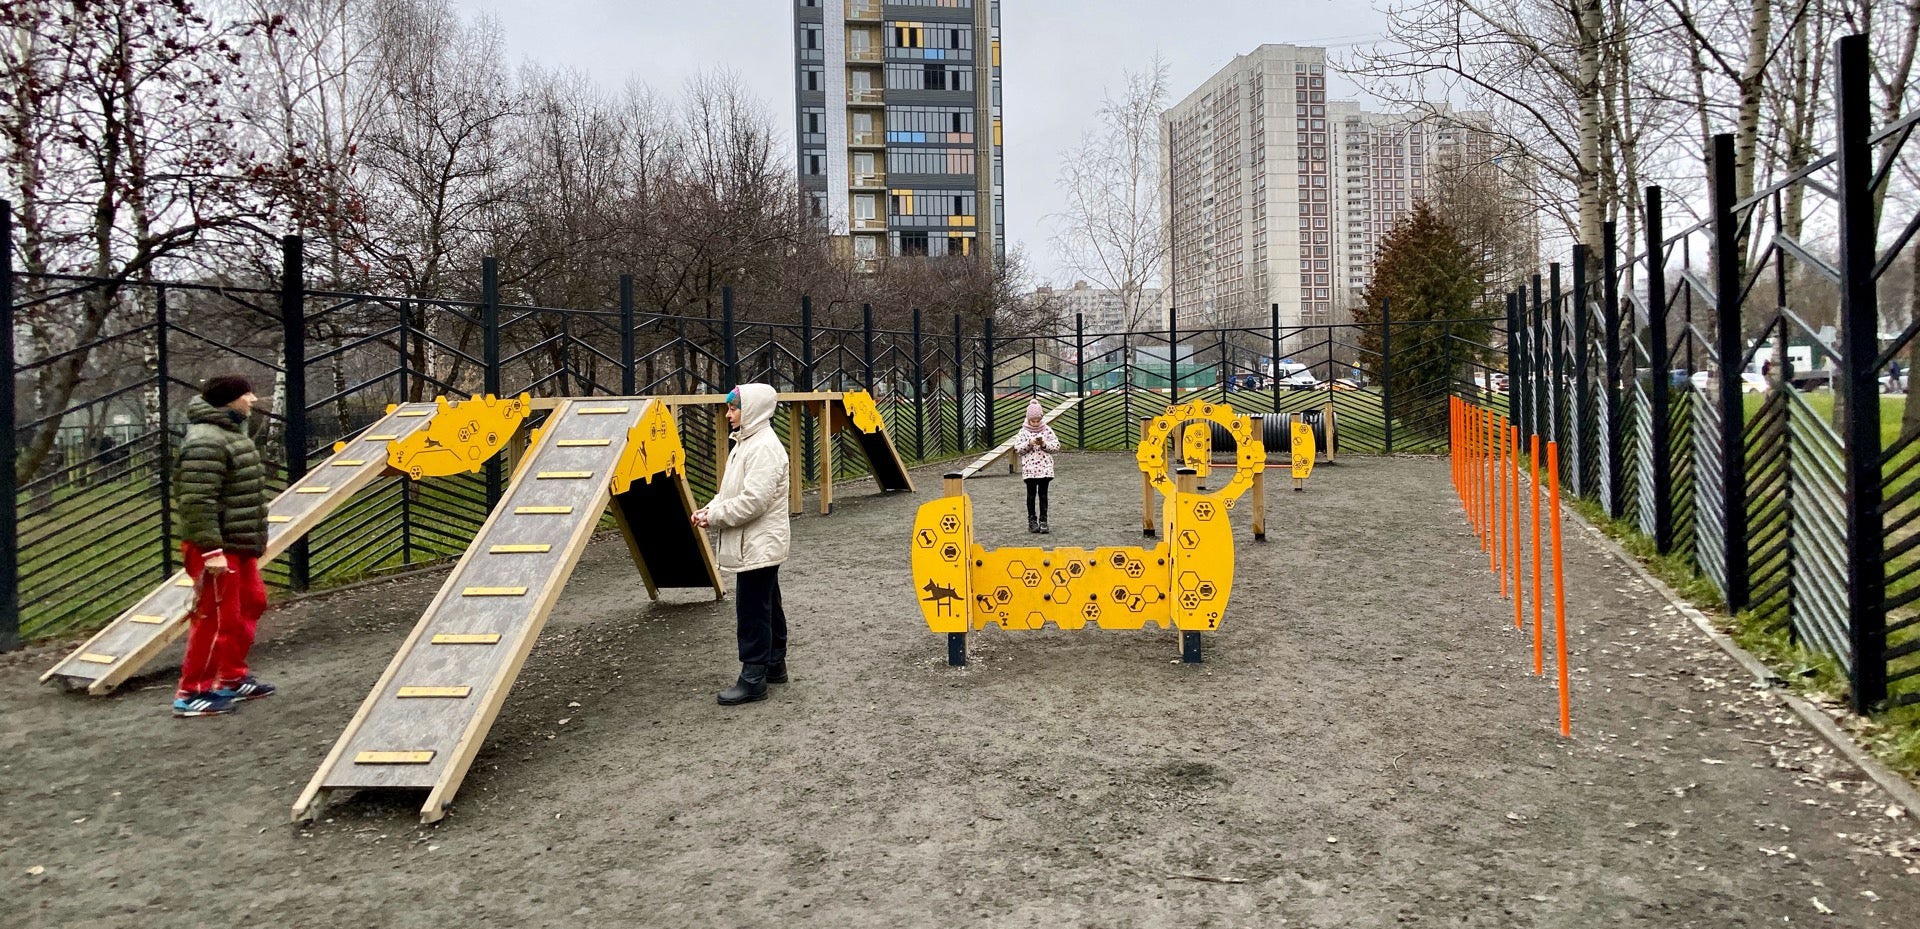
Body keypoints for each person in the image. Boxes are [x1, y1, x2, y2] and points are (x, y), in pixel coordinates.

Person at [172, 375, 274, 717]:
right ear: (230, 400)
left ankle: (231, 677)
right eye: (246, 394)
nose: (252, 398)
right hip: (216, 546)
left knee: (252, 602)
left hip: (238, 542)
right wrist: (211, 551)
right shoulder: (206, 441)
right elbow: (197, 500)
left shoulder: (229, 433)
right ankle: (191, 693)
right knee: (215, 618)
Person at [692, 384, 792, 707]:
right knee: (766, 602)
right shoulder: (747, 444)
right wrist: (711, 509)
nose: (729, 414)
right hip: (760, 543)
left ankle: (753, 676)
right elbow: (731, 492)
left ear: (751, 411)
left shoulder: (761, 447)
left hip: (758, 544)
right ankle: (774, 663)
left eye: (734, 408)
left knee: (751, 608)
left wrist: (715, 517)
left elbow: (753, 502)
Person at [1015, 399, 1061, 534]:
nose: (1035, 423)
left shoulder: (1047, 430)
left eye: (1037, 421)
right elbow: (1018, 449)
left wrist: (1044, 444)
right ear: (1028, 419)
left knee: (1043, 495)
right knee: (1031, 495)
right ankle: (1032, 521)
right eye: (1033, 421)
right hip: (1030, 471)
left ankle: (1043, 521)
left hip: (1044, 469)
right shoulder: (1023, 432)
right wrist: (1029, 443)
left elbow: (1056, 446)